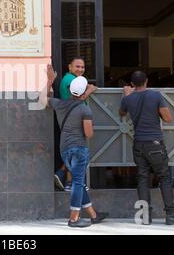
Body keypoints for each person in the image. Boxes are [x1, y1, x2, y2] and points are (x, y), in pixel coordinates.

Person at [43, 64, 108, 228]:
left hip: (64, 148)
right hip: (79, 148)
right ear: (84, 90)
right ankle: (74, 219)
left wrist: (50, 81)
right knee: (78, 183)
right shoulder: (84, 110)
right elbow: (88, 134)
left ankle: (93, 215)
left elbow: (42, 99)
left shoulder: (59, 104)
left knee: (78, 181)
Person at [119, 71, 174, 225]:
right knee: (164, 178)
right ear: (146, 81)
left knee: (142, 178)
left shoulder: (128, 98)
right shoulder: (155, 96)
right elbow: (168, 118)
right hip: (155, 143)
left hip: (138, 143)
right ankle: (171, 215)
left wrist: (126, 95)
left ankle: (145, 216)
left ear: (132, 84)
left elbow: (121, 113)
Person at [55, 57, 97, 191]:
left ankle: (62, 173)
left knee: (73, 150)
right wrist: (90, 90)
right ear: (70, 67)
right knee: (75, 150)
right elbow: (79, 97)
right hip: (74, 120)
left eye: (82, 67)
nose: (80, 69)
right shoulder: (70, 80)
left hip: (72, 118)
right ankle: (69, 182)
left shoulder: (71, 79)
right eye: (77, 66)